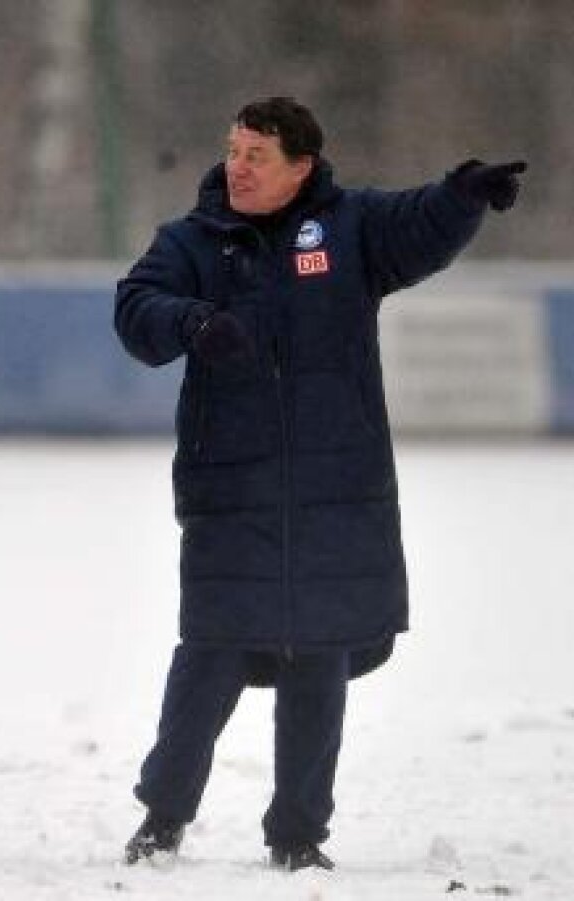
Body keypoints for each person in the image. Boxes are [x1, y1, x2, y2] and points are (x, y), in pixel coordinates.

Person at [114, 96, 525, 871]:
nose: (236, 166)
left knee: (319, 661)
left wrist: (463, 193)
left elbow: (417, 222)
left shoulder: (349, 228)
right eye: (232, 150)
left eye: (256, 156)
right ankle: (163, 815)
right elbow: (137, 307)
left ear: (301, 168)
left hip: (339, 489)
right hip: (230, 492)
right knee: (210, 658)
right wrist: (194, 321)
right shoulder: (192, 242)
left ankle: (298, 834)